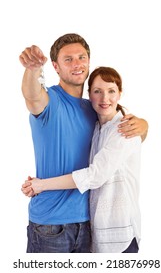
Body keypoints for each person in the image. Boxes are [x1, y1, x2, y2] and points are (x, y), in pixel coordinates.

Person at [19, 33, 148, 253]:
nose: (77, 64)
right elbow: (32, 96)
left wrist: (144, 126)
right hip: (51, 225)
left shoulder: (95, 108)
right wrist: (32, 69)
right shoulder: (49, 100)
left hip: (90, 225)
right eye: (68, 59)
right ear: (55, 66)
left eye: (81, 57)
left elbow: (118, 139)